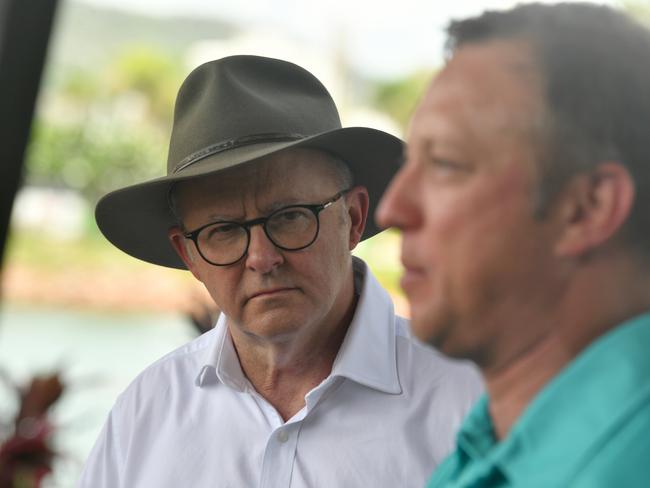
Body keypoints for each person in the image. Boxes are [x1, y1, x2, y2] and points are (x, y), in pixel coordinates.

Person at [78, 55, 482, 487]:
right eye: (224, 230)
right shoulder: (145, 413)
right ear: (189, 255)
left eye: (290, 217)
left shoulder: (473, 404)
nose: (261, 258)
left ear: (354, 217)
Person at [376, 3, 650, 487]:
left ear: (587, 208)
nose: (392, 210)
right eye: (408, 162)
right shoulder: (482, 446)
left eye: (445, 163)